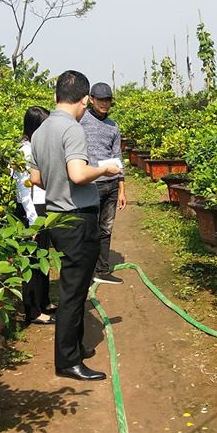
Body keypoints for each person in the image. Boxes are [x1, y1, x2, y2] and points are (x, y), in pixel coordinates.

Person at [29, 71, 120, 382]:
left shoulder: (40, 132)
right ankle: (67, 361)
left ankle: (75, 348)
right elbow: (78, 174)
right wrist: (105, 167)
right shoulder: (74, 129)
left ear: (56, 97)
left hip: (55, 215)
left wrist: (58, 180)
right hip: (78, 216)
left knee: (73, 286)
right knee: (74, 292)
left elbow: (36, 179)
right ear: (84, 100)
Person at [80, 81, 126, 285]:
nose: (104, 104)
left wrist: (122, 188)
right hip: (91, 184)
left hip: (111, 185)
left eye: (107, 100)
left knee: (106, 228)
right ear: (91, 99)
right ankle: (84, 271)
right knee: (88, 229)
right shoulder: (81, 121)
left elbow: (118, 156)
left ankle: (103, 269)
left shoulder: (113, 126)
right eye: (100, 100)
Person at [12, 106, 54, 325]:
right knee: (32, 260)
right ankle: (33, 311)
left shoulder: (36, 148)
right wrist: (32, 220)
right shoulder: (24, 151)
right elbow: (23, 188)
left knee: (43, 257)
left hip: (42, 206)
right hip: (32, 210)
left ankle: (44, 302)